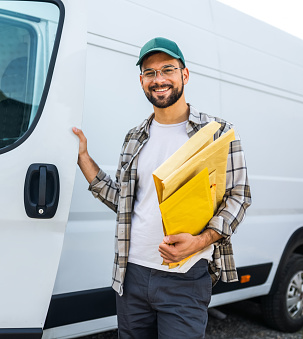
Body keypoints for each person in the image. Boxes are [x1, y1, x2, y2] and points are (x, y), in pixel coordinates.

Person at [72, 37, 251, 338]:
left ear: (185, 74)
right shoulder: (134, 137)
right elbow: (124, 201)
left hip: (186, 277)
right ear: (142, 80)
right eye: (150, 72)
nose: (159, 79)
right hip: (131, 275)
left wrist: (200, 242)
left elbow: (239, 196)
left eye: (167, 69)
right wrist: (83, 157)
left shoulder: (216, 133)